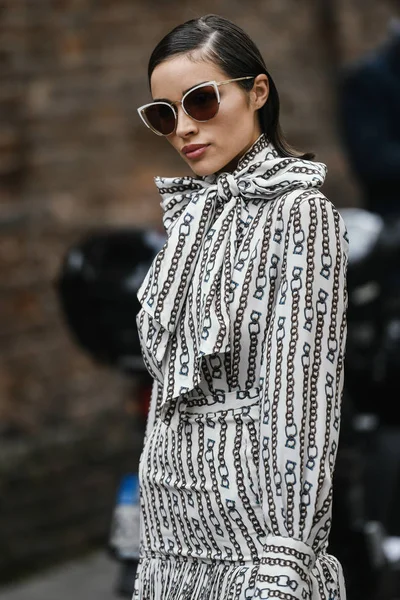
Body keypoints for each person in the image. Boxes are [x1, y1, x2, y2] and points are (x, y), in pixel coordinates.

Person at [133, 14, 349, 600]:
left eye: (200, 101)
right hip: (169, 547)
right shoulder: (188, 220)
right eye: (163, 113)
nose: (183, 127)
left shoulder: (299, 212)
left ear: (258, 92)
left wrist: (283, 563)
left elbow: (304, 400)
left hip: (252, 550)